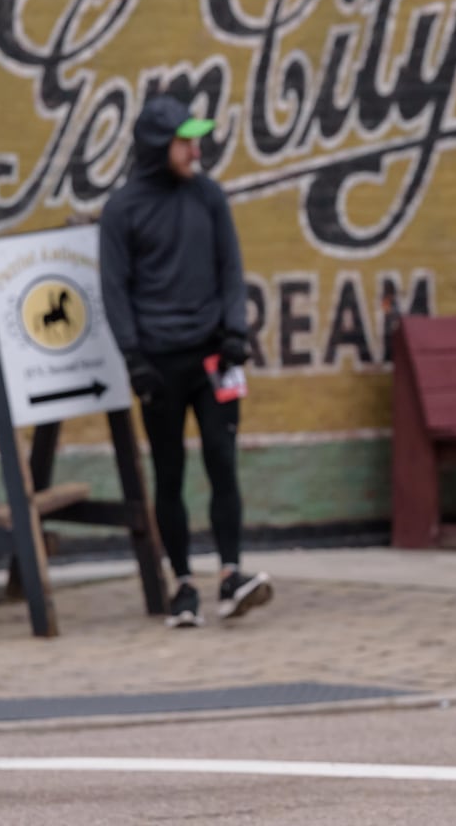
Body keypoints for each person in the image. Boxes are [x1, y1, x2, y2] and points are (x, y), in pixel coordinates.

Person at [99, 94, 274, 629]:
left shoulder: (209, 197)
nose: (195, 149)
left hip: (213, 358)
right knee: (169, 473)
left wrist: (235, 332)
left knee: (223, 462)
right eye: (184, 140)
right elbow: (115, 290)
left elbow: (229, 266)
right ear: (158, 145)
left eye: (196, 138)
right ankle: (183, 586)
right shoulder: (122, 210)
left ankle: (231, 575)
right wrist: (134, 359)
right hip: (158, 364)